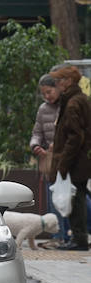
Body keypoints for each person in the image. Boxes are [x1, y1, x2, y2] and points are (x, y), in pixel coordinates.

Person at [48, 64, 91, 251]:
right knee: (78, 197)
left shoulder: (73, 102)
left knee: (76, 200)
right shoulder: (80, 99)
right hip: (80, 160)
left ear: (69, 81)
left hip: (75, 162)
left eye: (59, 80)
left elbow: (75, 136)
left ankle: (79, 239)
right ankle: (78, 238)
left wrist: (63, 163)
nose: (57, 84)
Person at [30, 74, 67, 246]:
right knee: (52, 199)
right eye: (44, 93)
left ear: (58, 88)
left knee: (65, 199)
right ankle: (58, 236)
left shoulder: (67, 106)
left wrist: (57, 144)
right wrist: (35, 145)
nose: (47, 96)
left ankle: (65, 235)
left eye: (49, 92)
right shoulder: (43, 109)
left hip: (65, 159)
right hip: (49, 161)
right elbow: (37, 132)